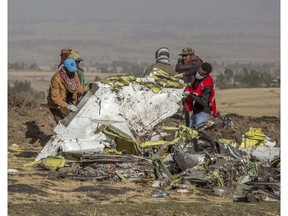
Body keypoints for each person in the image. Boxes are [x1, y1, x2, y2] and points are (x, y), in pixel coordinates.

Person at [47, 58, 86, 124]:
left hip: (65, 100)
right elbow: (55, 98)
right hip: (55, 105)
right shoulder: (56, 79)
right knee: (62, 125)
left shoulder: (73, 74)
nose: (72, 72)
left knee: (71, 122)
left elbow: (77, 87)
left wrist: (85, 91)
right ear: (65, 68)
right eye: (70, 71)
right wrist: (68, 106)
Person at [182, 62, 217, 128]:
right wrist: (182, 75)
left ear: (205, 74)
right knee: (190, 130)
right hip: (196, 110)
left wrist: (190, 94)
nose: (198, 73)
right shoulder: (199, 77)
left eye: (200, 73)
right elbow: (192, 72)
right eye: (198, 71)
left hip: (203, 112)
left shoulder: (207, 85)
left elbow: (203, 102)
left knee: (199, 133)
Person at [174, 47, 203, 126]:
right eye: (182, 56)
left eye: (185, 56)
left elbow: (179, 68)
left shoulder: (196, 63)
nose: (183, 58)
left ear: (192, 55)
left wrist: (179, 61)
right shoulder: (190, 63)